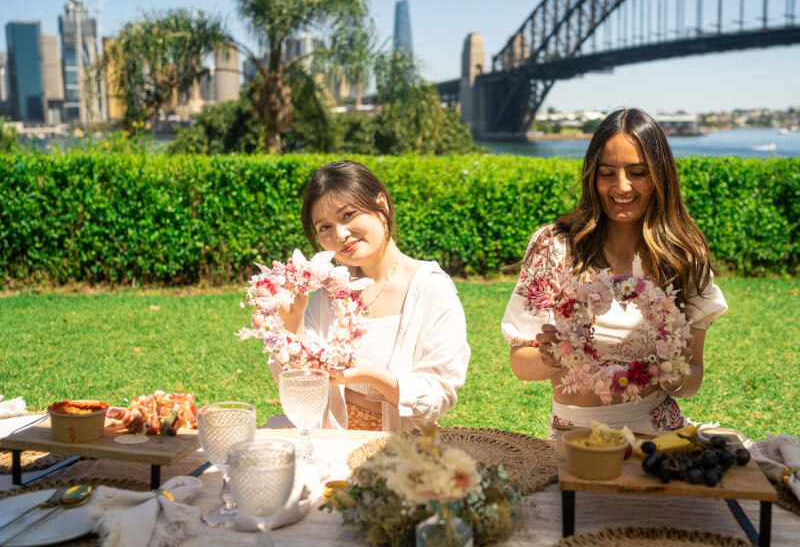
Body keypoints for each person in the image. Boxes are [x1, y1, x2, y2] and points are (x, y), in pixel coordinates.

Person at [501, 108, 727, 438]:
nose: (621, 186)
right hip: (573, 438)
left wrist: (672, 372)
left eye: (638, 172)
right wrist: (548, 358)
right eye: (608, 173)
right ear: (593, 176)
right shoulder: (555, 247)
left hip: (657, 436)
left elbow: (692, 378)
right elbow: (520, 362)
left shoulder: (682, 257)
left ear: (660, 177)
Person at [271, 160, 470, 432]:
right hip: (327, 446)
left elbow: (439, 394)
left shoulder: (430, 289)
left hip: (400, 455)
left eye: (348, 214)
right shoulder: (325, 292)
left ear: (382, 204)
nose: (340, 234)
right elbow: (301, 392)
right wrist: (292, 324)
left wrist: (370, 376)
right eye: (325, 227)